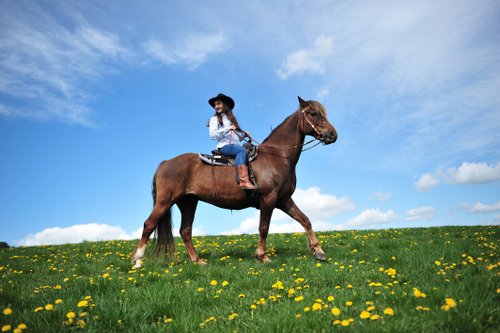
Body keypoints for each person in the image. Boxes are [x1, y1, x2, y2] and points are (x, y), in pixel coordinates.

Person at [208, 93, 256, 190]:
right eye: (215, 105)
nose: (216, 106)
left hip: (234, 145)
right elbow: (213, 135)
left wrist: (244, 135)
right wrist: (227, 128)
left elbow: (236, 138)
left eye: (218, 104)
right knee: (241, 151)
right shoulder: (214, 119)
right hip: (224, 146)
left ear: (225, 104)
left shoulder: (231, 120)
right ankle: (243, 181)